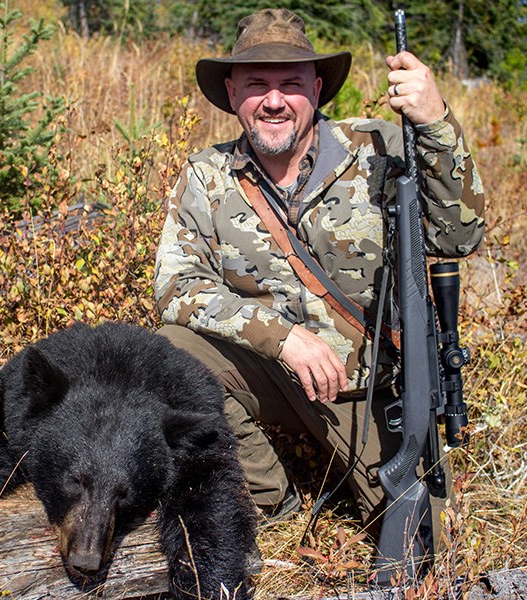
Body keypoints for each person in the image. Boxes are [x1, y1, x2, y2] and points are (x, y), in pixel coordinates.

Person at [154, 8, 485, 535]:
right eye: (257, 84)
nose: (274, 100)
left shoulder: (382, 148)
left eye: (291, 83)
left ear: (318, 86)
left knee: (424, 546)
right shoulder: (205, 174)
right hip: (274, 378)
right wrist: (282, 339)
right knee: (170, 353)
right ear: (233, 93)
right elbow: (175, 287)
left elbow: (458, 236)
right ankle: (268, 501)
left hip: (371, 391)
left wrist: (436, 122)